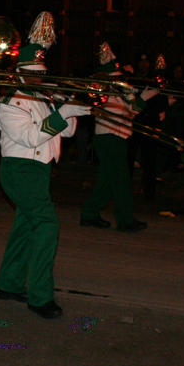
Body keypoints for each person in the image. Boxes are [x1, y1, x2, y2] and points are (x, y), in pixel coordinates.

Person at [0, 12, 89, 319]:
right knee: (47, 225)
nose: (39, 77)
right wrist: (61, 112)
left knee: (26, 226)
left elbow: (69, 131)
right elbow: (29, 136)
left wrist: (68, 107)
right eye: (33, 72)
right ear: (19, 72)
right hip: (20, 170)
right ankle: (39, 295)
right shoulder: (9, 102)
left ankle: (9, 284)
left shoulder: (44, 97)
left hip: (41, 170)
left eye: (41, 72)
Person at [80, 43, 149, 232]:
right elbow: (108, 109)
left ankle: (89, 213)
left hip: (118, 138)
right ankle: (125, 220)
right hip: (108, 138)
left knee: (107, 181)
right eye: (117, 77)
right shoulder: (102, 91)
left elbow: (129, 114)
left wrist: (144, 97)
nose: (121, 79)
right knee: (122, 180)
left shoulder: (118, 93)